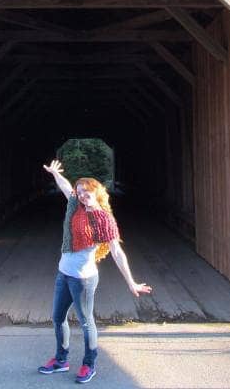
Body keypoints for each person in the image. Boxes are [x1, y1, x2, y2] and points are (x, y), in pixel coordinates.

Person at [38, 158, 152, 384]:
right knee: (58, 317)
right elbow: (65, 187)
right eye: (79, 191)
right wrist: (55, 174)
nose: (81, 194)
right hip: (64, 274)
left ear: (96, 191)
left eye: (86, 190)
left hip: (83, 279)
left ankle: (89, 365)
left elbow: (117, 252)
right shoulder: (75, 206)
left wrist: (131, 282)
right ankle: (61, 360)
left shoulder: (104, 219)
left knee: (86, 322)